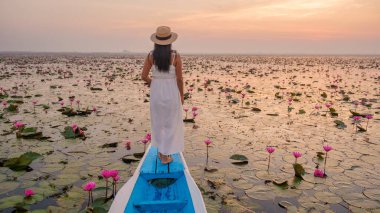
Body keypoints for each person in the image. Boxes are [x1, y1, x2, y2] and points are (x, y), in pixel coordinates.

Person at [141, 26, 185, 164]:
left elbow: (143, 76)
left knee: (158, 122)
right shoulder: (175, 56)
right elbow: (179, 79)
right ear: (170, 41)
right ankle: (166, 155)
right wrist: (181, 95)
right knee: (171, 122)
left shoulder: (150, 55)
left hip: (156, 92)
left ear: (156, 41)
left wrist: (152, 82)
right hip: (171, 92)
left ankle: (161, 152)